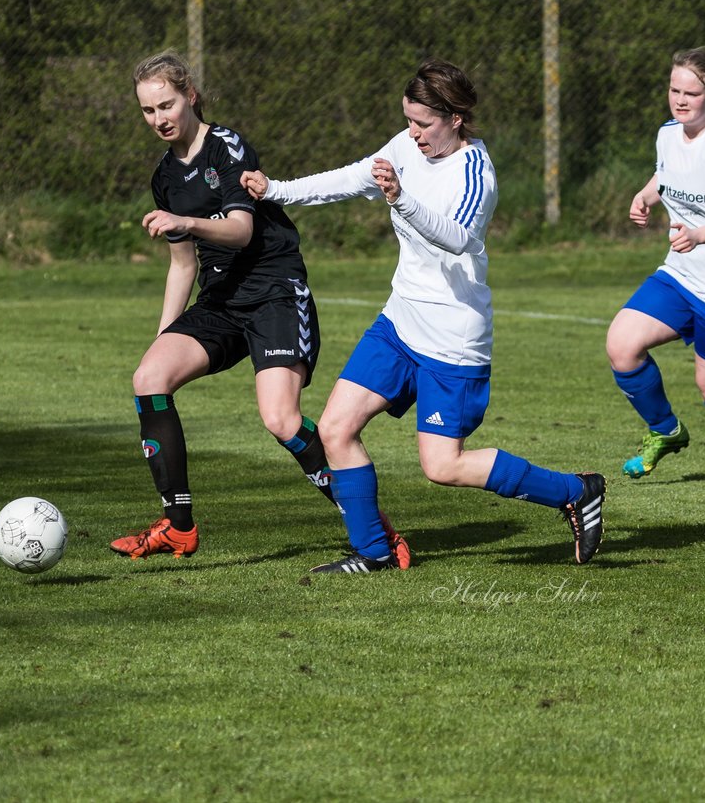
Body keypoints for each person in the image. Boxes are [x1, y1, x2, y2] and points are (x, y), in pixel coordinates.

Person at [241, 58, 605, 573]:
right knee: (335, 429)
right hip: (399, 324)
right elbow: (351, 177)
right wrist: (277, 189)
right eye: (408, 120)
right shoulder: (406, 145)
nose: (413, 134)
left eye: (423, 123)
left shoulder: (475, 171)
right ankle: (373, 552)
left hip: (452, 339)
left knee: (443, 466)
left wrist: (402, 199)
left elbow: (462, 237)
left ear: (455, 118)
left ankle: (576, 491)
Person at [109, 51, 410, 565]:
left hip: (273, 290)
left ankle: (373, 526)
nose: (159, 119)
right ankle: (178, 527)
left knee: (281, 419)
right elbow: (184, 265)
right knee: (148, 378)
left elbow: (241, 230)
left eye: (167, 104)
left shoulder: (227, 147)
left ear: (190, 97)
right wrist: (165, 335)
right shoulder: (164, 175)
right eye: (147, 110)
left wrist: (189, 223)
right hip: (221, 299)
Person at [606, 47, 705, 486]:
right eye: (674, 90)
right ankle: (666, 431)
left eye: (692, 93)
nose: (681, 100)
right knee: (622, 346)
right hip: (682, 275)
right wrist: (645, 196)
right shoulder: (667, 133)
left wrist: (698, 235)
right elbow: (666, 174)